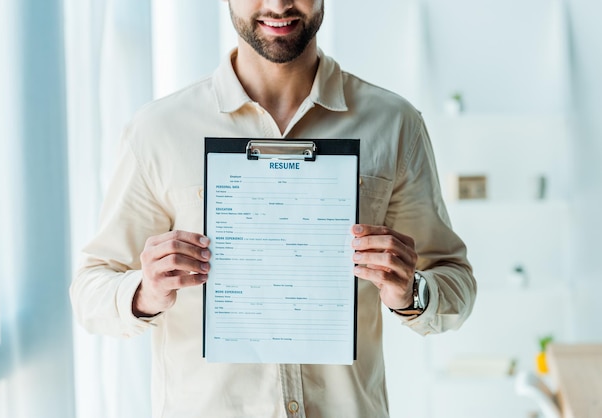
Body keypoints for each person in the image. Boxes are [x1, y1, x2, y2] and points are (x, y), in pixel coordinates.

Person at [70, 1, 477, 417]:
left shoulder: (394, 123)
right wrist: (146, 291)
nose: (279, 4)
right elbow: (89, 291)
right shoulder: (158, 130)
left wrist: (411, 292)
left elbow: (456, 283)